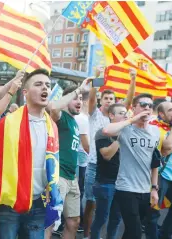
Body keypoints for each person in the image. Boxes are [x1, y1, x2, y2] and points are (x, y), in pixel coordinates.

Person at [0, 69, 53, 239]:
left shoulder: (51, 126)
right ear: (25, 92)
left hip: (37, 203)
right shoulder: (9, 122)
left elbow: (50, 161)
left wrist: (51, 186)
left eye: (48, 85)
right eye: (39, 84)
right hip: (9, 204)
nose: (45, 88)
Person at [82, 68, 136, 239]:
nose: (108, 101)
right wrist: (96, 78)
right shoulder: (95, 114)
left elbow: (128, 101)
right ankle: (87, 233)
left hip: (116, 171)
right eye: (105, 98)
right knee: (91, 203)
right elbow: (91, 97)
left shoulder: (119, 118)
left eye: (111, 99)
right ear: (101, 100)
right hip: (93, 165)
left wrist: (132, 79)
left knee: (112, 213)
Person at [102, 93, 162, 239]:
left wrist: (154, 189)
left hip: (145, 189)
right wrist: (132, 119)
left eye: (150, 105)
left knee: (131, 231)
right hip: (126, 188)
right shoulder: (125, 129)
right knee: (135, 231)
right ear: (134, 108)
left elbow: (155, 162)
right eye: (142, 104)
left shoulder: (155, 132)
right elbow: (106, 130)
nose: (147, 107)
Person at [48, 77, 93, 239]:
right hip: (58, 176)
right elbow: (53, 106)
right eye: (75, 98)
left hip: (72, 178)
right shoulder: (60, 117)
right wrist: (78, 89)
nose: (79, 101)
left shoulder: (75, 122)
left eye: (81, 98)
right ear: (65, 100)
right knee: (50, 222)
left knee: (74, 222)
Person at [145, 101, 172, 239]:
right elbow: (166, 148)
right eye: (170, 110)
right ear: (161, 114)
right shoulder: (154, 127)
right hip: (159, 176)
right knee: (153, 213)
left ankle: (163, 235)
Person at [90, 103, 126, 239]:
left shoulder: (128, 132)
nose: (125, 116)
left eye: (126, 113)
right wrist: (120, 137)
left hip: (122, 183)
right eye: (121, 113)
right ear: (111, 115)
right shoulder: (103, 132)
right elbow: (107, 155)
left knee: (116, 219)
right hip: (106, 182)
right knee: (101, 219)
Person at [74, 92, 90, 233]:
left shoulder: (85, 117)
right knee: (79, 190)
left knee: (79, 190)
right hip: (81, 158)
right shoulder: (82, 118)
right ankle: (78, 221)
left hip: (82, 158)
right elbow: (86, 144)